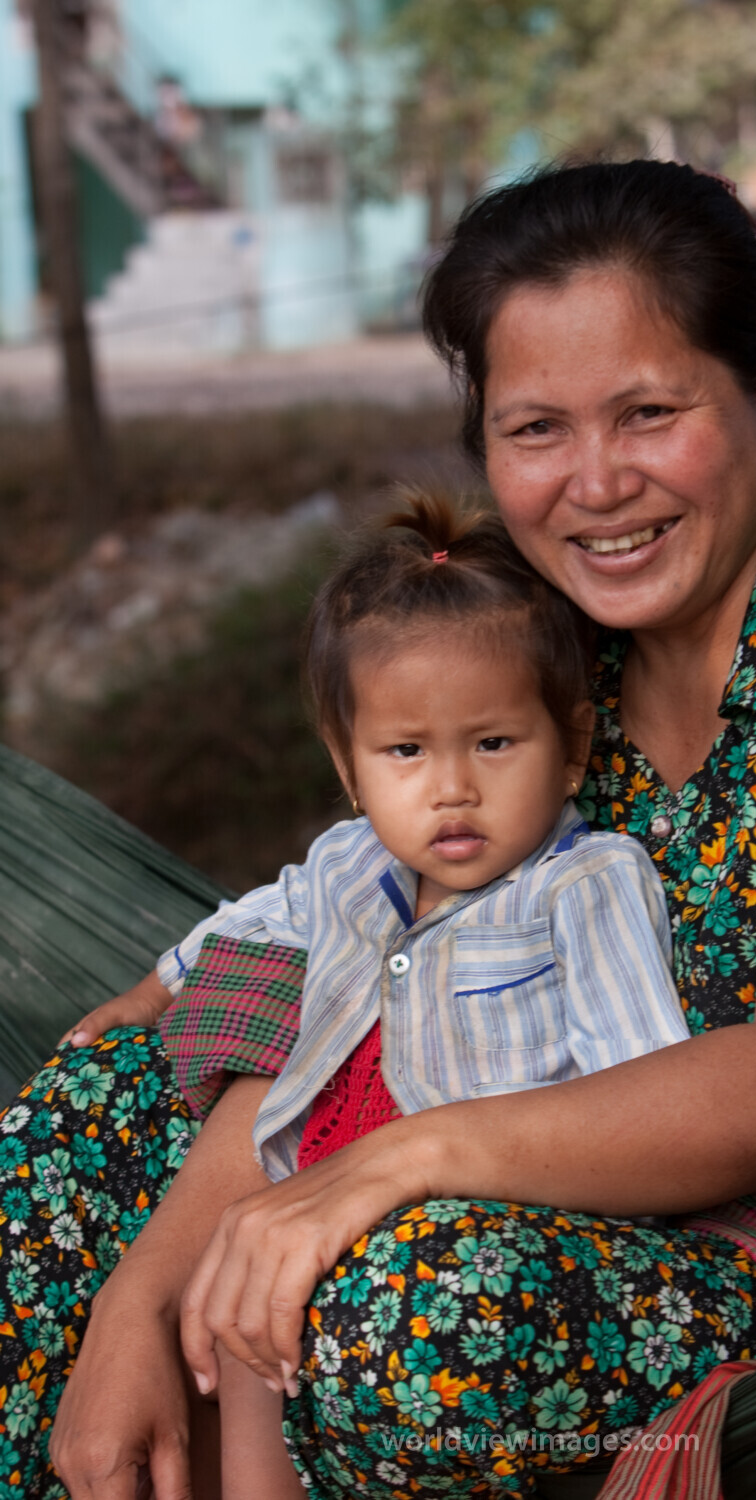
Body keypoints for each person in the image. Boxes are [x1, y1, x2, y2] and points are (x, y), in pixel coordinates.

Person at [1, 158, 756, 1500]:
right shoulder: (549, 642)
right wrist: (141, 1293)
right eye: (536, 430)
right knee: (93, 1114)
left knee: (393, 1309)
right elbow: (370, 961)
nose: (596, 484)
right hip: (565, 1191)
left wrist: (382, 1164)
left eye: (649, 412)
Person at [151, 489, 690, 1499]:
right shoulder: (355, 860)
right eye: (406, 752)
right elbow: (264, 914)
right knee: (242, 1340)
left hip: (470, 1229)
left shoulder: (584, 882)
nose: (451, 788)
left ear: (570, 745)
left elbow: (643, 1081)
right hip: (307, 1194)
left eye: (493, 744)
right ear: (348, 767)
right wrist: (154, 987)